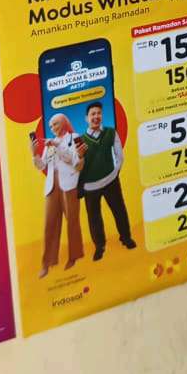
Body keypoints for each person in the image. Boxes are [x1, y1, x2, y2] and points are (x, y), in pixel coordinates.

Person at [75, 101, 136, 260]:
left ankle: (126, 238)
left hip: (111, 181)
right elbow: (76, 167)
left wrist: (115, 173)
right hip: (90, 187)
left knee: (119, 211)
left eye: (99, 113)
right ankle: (99, 247)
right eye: (92, 114)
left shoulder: (110, 132)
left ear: (102, 115)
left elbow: (119, 156)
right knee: (94, 218)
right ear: (86, 118)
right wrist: (79, 156)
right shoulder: (79, 141)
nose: (96, 116)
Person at [31, 112, 84, 277]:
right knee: (49, 224)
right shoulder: (49, 144)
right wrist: (34, 153)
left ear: (64, 122)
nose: (52, 128)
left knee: (72, 221)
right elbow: (42, 166)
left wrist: (57, 145)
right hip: (52, 185)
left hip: (69, 185)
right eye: (51, 126)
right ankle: (47, 263)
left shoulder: (75, 137)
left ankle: (74, 256)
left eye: (55, 124)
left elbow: (74, 160)